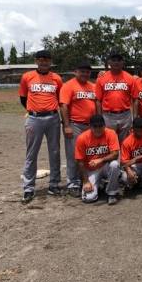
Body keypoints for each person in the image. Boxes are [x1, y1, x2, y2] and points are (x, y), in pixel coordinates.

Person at [19, 49, 63, 203]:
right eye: (41, 59)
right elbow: (23, 98)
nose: (44, 62)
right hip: (34, 118)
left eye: (47, 59)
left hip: (52, 117)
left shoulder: (56, 78)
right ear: (36, 61)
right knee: (31, 153)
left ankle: (54, 184)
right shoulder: (27, 77)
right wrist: (33, 110)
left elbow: (60, 99)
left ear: (50, 61)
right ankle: (29, 188)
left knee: (55, 151)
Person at [59, 61, 97, 197]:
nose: (85, 74)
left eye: (87, 72)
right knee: (73, 155)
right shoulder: (68, 86)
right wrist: (67, 125)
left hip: (90, 126)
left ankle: (84, 179)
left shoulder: (93, 86)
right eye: (82, 71)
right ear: (75, 72)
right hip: (75, 125)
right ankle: (73, 183)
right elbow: (63, 106)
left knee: (89, 154)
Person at [75, 114, 121, 205]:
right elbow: (80, 161)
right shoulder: (82, 138)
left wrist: (100, 160)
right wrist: (86, 181)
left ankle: (111, 193)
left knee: (115, 164)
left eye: (100, 126)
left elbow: (115, 154)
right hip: (91, 170)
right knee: (88, 198)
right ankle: (100, 185)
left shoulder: (111, 133)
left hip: (105, 166)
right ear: (90, 126)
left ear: (104, 125)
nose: (98, 129)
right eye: (95, 126)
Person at [95, 51, 135, 143]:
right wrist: (99, 117)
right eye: (113, 60)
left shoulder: (130, 78)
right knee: (108, 142)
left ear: (122, 62)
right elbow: (98, 100)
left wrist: (134, 117)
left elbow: (135, 99)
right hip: (108, 115)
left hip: (125, 114)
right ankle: (112, 158)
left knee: (125, 142)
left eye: (119, 60)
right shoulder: (101, 78)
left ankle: (124, 158)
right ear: (109, 62)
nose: (116, 62)